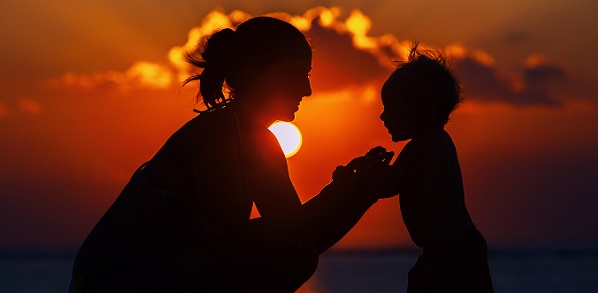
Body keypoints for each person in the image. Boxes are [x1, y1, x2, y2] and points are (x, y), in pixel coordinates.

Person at [70, 16, 392, 292]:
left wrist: (358, 192)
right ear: (252, 76)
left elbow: (294, 233)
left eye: (307, 75)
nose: (306, 90)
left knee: (297, 255)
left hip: (163, 275)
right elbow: (233, 245)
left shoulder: (258, 140)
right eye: (294, 75)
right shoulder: (218, 136)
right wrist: (341, 194)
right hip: (113, 281)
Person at [376, 44, 494, 292]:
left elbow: (387, 186)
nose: (383, 117)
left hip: (451, 252)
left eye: (389, 108)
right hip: (457, 247)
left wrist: (361, 175)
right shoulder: (436, 143)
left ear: (417, 110)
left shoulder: (425, 147)